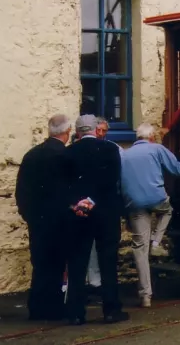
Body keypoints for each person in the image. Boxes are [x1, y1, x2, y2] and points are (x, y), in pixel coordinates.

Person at [15, 114, 83, 321]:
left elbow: (22, 190)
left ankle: (36, 307)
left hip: (37, 219)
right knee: (57, 263)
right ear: (68, 131)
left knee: (40, 263)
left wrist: (28, 214)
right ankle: (53, 307)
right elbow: (71, 190)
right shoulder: (65, 156)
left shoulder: (32, 155)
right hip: (60, 219)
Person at [121, 123, 180, 308]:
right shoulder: (157, 149)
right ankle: (156, 241)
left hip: (134, 203)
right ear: (152, 137)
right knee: (167, 210)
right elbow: (178, 170)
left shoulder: (124, 154)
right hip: (156, 199)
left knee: (140, 248)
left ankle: (145, 296)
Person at [65, 115, 128, 325]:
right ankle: (111, 309)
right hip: (106, 212)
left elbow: (65, 186)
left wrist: (78, 204)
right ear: (95, 130)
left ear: (78, 131)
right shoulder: (110, 149)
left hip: (78, 213)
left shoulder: (68, 153)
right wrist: (92, 200)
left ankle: (75, 312)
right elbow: (111, 180)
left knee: (77, 262)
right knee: (108, 261)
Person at [85, 117, 121, 296]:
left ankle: (102, 284)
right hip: (91, 205)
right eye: (98, 130)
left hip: (103, 205)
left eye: (104, 131)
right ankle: (95, 281)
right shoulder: (107, 149)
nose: (100, 134)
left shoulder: (113, 149)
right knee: (92, 247)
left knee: (104, 248)